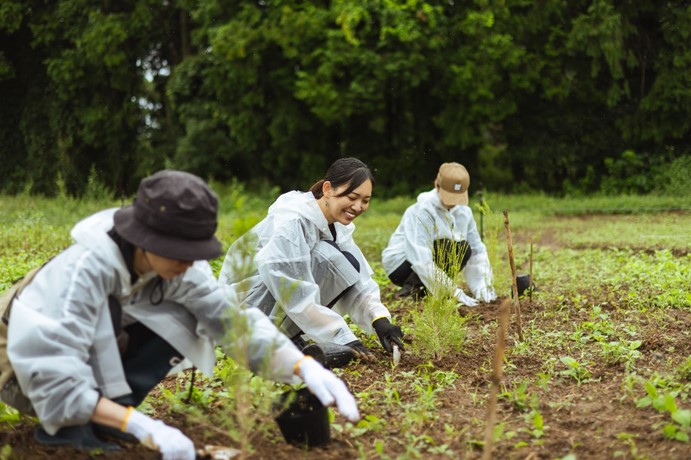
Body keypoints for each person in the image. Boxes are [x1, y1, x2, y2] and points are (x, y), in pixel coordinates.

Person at [0, 170, 359, 459]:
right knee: (105, 314)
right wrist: (142, 426)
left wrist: (299, 366)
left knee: (193, 313)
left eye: (194, 252)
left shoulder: (182, 268)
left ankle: (110, 415)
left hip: (73, 358)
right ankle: (65, 430)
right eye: (178, 252)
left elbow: (229, 323)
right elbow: (53, 375)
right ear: (143, 238)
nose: (188, 262)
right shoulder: (82, 273)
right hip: (20, 369)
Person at [219, 157, 404, 366]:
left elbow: (358, 277)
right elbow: (293, 290)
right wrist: (342, 336)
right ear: (328, 189)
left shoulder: (336, 225)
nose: (358, 206)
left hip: (271, 302)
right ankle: (273, 337)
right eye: (352, 197)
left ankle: (287, 334)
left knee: (346, 261)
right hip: (241, 314)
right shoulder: (292, 222)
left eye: (365, 200)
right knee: (331, 257)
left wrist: (379, 319)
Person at [381, 162, 497, 306]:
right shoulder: (422, 210)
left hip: (431, 256)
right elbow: (420, 256)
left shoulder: (464, 212)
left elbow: (477, 250)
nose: (453, 203)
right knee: (446, 246)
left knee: (464, 249)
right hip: (401, 265)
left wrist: (483, 287)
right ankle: (414, 288)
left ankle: (429, 289)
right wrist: (452, 291)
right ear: (437, 185)